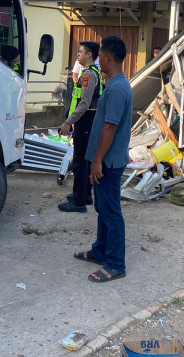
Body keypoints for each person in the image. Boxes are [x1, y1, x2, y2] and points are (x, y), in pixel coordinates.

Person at [73, 36, 132, 283]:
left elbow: (110, 128)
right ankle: (100, 250)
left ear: (108, 58)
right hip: (103, 160)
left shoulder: (118, 88)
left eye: (100, 57)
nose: (98, 61)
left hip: (108, 162)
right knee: (102, 208)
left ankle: (116, 263)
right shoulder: (113, 84)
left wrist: (97, 161)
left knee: (111, 211)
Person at [58, 41, 102, 213]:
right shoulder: (90, 73)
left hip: (85, 120)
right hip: (87, 120)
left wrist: (68, 122)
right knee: (85, 160)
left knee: (79, 162)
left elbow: (84, 104)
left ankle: (78, 202)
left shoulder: (89, 75)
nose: (78, 55)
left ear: (89, 55)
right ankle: (85, 195)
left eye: (80, 52)